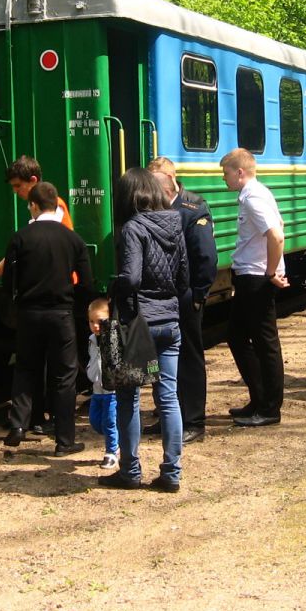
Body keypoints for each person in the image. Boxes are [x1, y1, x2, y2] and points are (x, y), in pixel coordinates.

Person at [89, 168, 188, 492]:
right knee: (168, 398)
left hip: (137, 323)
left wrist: (113, 289)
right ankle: (171, 473)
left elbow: (131, 278)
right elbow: (184, 278)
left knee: (129, 398)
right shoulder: (176, 223)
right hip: (169, 321)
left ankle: (130, 472)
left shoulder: (132, 228)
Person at [1, 182, 94, 457]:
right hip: (61, 314)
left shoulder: (20, 237)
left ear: (33, 205)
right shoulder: (72, 239)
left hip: (30, 314)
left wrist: (14, 310)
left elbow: (9, 283)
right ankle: (65, 441)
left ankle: (18, 426)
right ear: (57, 205)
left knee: (26, 369)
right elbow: (87, 283)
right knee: (64, 377)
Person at [145, 157, 218, 444]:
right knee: (159, 360)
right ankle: (167, 416)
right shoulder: (154, 206)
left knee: (188, 358)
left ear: (170, 180)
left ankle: (193, 421)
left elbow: (206, 256)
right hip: (159, 297)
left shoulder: (193, 208)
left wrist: (198, 295)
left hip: (184, 296)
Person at [220, 148, 289, 428]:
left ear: (240, 172)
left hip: (255, 278)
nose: (224, 179)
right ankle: (259, 399)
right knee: (237, 337)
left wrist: (271, 271)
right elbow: (280, 225)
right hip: (251, 275)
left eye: (225, 173)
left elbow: (276, 234)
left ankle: (270, 408)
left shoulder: (253, 197)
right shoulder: (257, 193)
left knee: (265, 344)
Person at [0, 155, 73, 293]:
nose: (15, 191)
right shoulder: (44, 208)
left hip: (59, 285)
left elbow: (25, 249)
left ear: (33, 180)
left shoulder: (55, 207)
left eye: (18, 185)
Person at [85, 331, 119, 470]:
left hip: (111, 391)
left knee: (109, 422)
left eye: (99, 321)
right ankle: (116, 437)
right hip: (96, 389)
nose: (96, 326)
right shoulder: (91, 339)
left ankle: (112, 451)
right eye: (92, 322)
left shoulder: (114, 336)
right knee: (95, 421)